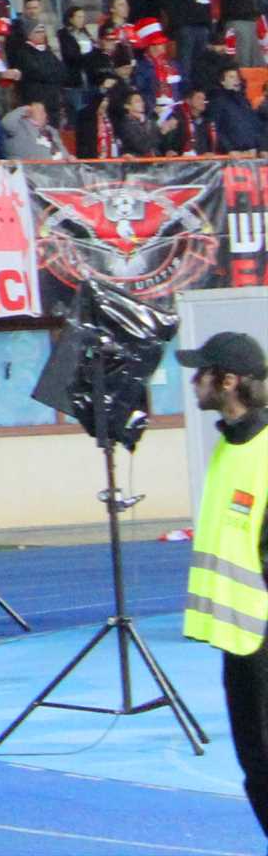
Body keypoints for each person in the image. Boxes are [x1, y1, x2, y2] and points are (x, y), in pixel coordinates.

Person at [185, 329, 268, 839]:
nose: (194, 380)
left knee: (262, 763)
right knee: (255, 764)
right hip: (241, 639)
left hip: (261, 638)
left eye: (202, 372)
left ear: (229, 381)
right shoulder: (230, 446)